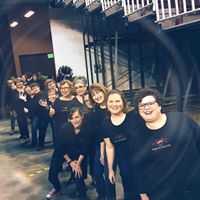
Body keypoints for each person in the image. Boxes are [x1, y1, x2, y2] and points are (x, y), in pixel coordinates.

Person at [130, 87, 200, 200]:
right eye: (142, 106)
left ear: (160, 105)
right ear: (138, 110)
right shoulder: (137, 137)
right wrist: (143, 193)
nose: (146, 108)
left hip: (194, 187)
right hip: (162, 192)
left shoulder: (181, 120)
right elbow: (138, 169)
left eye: (150, 103)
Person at [103, 89, 142, 200]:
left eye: (117, 101)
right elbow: (109, 147)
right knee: (130, 192)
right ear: (107, 104)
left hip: (141, 160)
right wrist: (110, 170)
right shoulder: (105, 124)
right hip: (124, 164)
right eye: (111, 101)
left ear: (123, 102)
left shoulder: (134, 116)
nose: (114, 104)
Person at [46, 107, 90, 200]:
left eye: (77, 117)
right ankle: (57, 189)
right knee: (52, 176)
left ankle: (82, 190)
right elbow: (60, 147)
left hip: (77, 154)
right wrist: (70, 162)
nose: (74, 120)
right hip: (62, 153)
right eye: (71, 118)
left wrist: (77, 164)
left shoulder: (87, 128)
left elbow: (85, 149)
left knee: (78, 176)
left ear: (82, 116)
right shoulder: (64, 128)